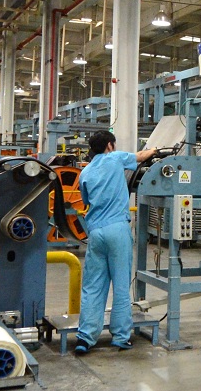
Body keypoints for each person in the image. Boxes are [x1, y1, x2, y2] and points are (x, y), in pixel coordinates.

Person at [72, 128, 167, 353]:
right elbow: (141, 156)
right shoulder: (115, 158)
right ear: (110, 145)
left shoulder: (85, 172)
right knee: (121, 285)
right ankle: (121, 337)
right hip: (117, 230)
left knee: (93, 286)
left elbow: (86, 200)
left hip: (96, 232)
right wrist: (156, 150)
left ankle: (85, 338)